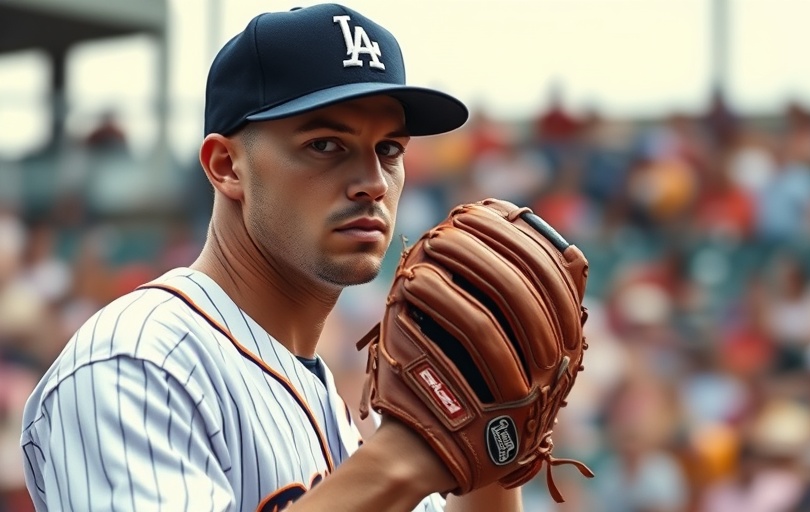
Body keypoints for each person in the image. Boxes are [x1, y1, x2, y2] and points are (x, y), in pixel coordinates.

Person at [20, 4, 522, 511]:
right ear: (226, 167)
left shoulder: (351, 424)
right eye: (326, 144)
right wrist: (398, 463)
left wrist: (493, 450)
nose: (373, 182)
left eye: (389, 149)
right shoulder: (139, 363)